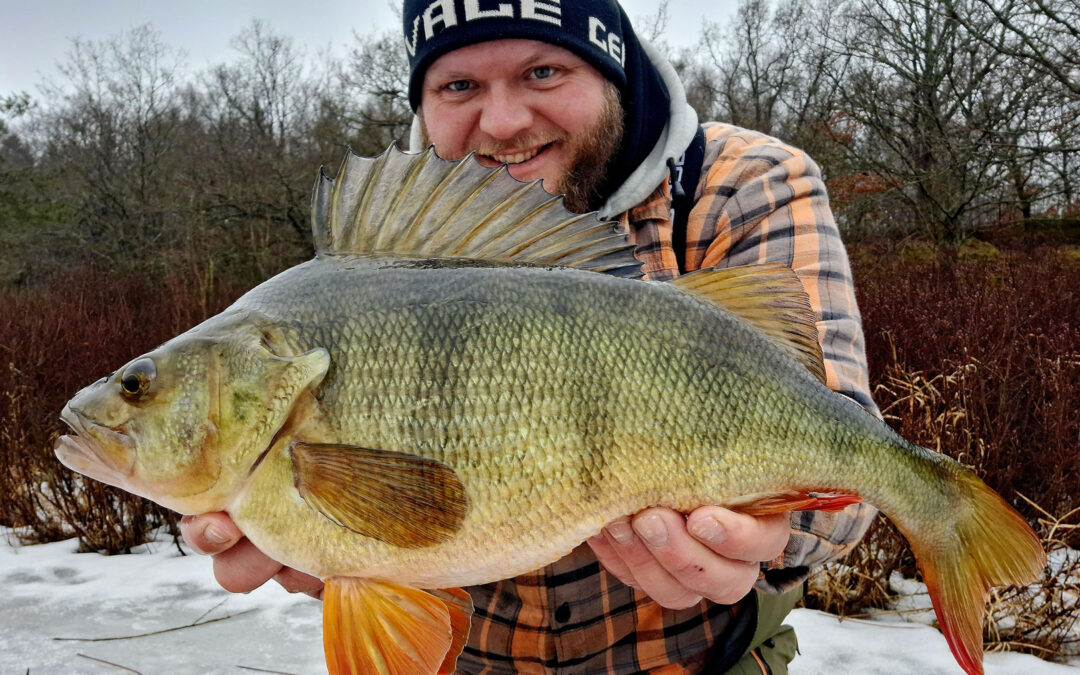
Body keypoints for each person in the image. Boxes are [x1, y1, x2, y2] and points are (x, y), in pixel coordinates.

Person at [182, 1, 880, 672]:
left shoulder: (737, 185)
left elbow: (855, 465)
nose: (506, 121)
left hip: (700, 660)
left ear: (613, 72)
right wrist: (329, 542)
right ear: (422, 106)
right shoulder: (376, 263)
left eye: (543, 72)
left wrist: (774, 530)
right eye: (459, 84)